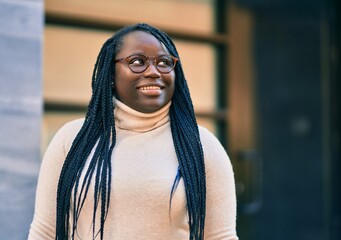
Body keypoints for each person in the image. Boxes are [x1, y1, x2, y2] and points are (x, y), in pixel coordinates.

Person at [28, 23, 238, 240]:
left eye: (164, 63)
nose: (153, 71)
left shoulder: (202, 145)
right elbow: (44, 233)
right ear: (111, 73)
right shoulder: (71, 139)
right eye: (137, 62)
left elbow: (221, 237)